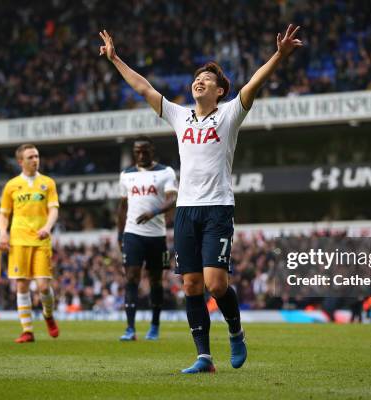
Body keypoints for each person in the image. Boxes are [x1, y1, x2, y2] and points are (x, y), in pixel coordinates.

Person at [99, 24, 303, 373]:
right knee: (191, 285)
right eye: (197, 78)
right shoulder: (180, 115)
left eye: (207, 79)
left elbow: (254, 82)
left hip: (217, 209)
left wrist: (279, 57)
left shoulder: (230, 114)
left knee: (215, 283)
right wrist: (115, 59)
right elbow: (143, 87)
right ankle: (203, 358)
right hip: (185, 211)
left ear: (220, 90)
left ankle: (236, 332)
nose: (200, 81)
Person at [117, 135, 178, 341]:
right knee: (131, 277)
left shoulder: (165, 172)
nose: (141, 154)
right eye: (137, 151)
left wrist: (154, 211)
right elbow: (123, 207)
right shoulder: (126, 174)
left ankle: (154, 326)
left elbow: (172, 199)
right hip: (132, 233)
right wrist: (119, 235)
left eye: (145, 150)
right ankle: (130, 328)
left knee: (155, 281)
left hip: (156, 236)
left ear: (153, 151)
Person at [0, 144, 60, 343]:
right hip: (18, 241)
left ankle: (48, 315)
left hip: (41, 239)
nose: (35, 160)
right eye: (31, 157)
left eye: (37, 156)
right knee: (22, 285)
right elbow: (4, 215)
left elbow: (53, 210)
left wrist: (48, 227)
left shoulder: (48, 183)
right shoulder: (11, 185)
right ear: (20, 162)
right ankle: (27, 331)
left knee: (43, 286)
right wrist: (2, 234)